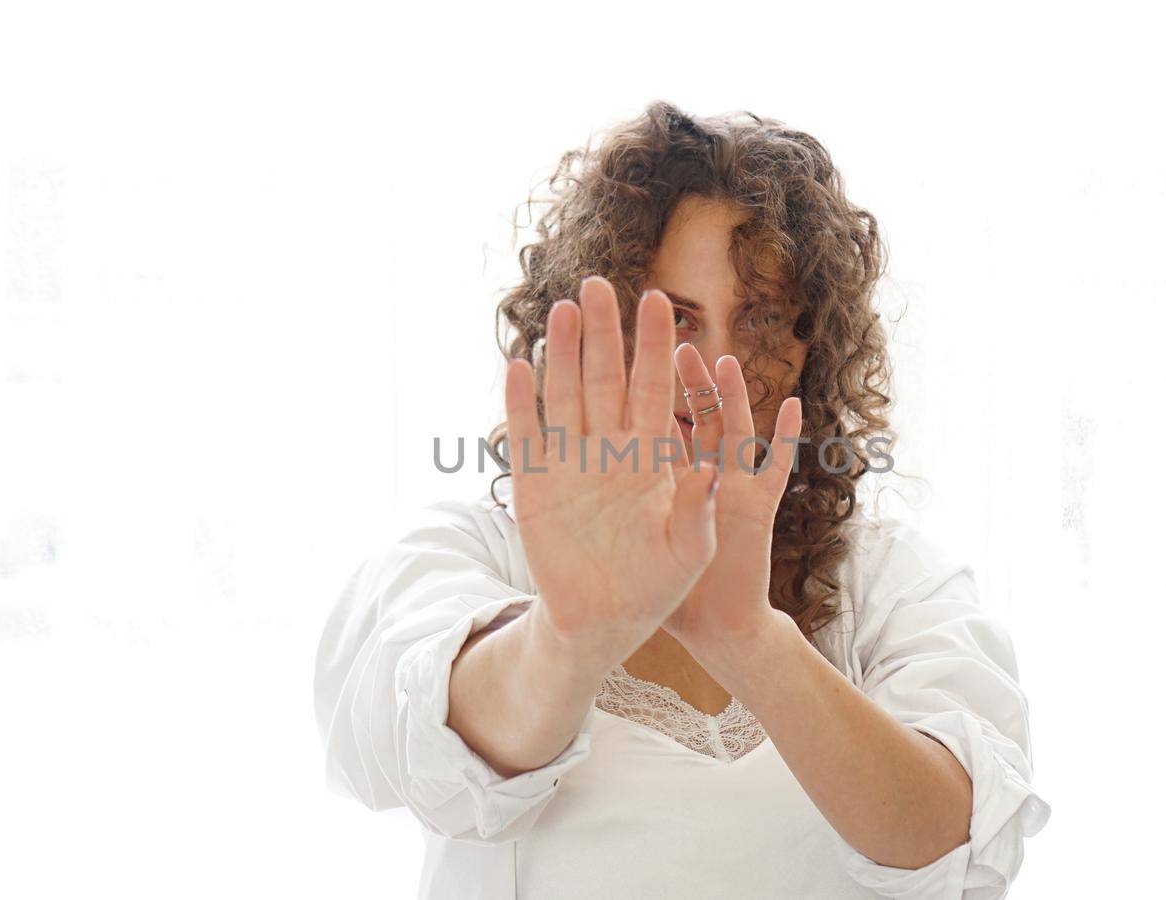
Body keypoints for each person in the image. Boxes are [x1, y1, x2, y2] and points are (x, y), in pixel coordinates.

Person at [313, 101, 1050, 898]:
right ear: (595, 330)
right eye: (672, 320)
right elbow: (403, 740)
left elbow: (955, 841)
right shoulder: (471, 557)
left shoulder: (889, 581)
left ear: (815, 348)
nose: (717, 369)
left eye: (762, 319)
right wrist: (570, 636)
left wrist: (746, 636)